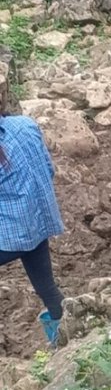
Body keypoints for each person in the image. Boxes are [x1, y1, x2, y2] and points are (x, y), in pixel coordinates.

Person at [0, 110, 65, 346]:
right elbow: (50, 170)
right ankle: (65, 338)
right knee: (47, 288)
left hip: (11, 236)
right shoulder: (26, 124)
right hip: (40, 224)